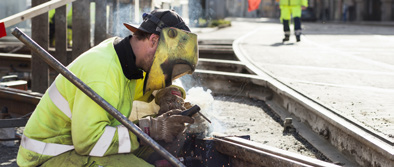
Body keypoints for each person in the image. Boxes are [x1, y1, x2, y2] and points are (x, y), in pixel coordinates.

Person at [17, 9, 198, 167]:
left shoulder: (127, 59)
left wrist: (171, 94)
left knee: (168, 145)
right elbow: (88, 142)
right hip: (50, 156)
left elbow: (153, 86)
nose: (166, 72)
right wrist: (150, 130)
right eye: (168, 63)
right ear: (153, 40)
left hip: (79, 146)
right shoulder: (102, 73)